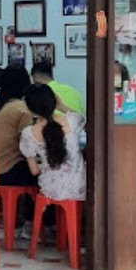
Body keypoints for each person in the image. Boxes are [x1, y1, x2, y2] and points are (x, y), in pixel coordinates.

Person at [20, 84, 86, 235]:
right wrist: (62, 106)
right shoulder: (72, 120)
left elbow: (34, 171)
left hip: (51, 190)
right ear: (54, 101)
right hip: (78, 187)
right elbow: (85, 119)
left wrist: (46, 164)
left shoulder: (28, 133)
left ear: (30, 109)